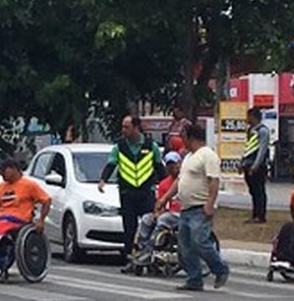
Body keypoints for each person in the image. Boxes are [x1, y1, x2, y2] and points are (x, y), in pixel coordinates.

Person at [155, 123, 230, 291]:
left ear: (190, 137)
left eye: (183, 137)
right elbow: (179, 181)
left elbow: (214, 181)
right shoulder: (189, 157)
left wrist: (210, 204)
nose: (182, 141)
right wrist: (165, 198)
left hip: (200, 207)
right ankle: (194, 278)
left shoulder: (207, 155)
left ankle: (220, 268)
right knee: (185, 246)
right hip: (186, 208)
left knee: (200, 242)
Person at [99, 115, 163, 272]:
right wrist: (103, 180)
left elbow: (159, 167)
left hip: (146, 192)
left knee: (149, 226)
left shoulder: (150, 145)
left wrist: (166, 187)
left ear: (136, 127)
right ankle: (130, 258)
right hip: (127, 193)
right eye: (123, 127)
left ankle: (149, 257)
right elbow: (111, 164)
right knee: (129, 227)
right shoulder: (119, 147)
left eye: (126, 127)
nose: (123, 130)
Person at [241, 108, 271, 224]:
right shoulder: (250, 130)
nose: (247, 119)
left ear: (253, 117)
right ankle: (255, 214)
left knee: (259, 190)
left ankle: (261, 215)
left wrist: (256, 164)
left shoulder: (263, 131)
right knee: (253, 190)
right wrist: (242, 162)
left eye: (248, 117)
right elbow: (248, 147)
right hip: (248, 164)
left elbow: (262, 150)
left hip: (258, 166)